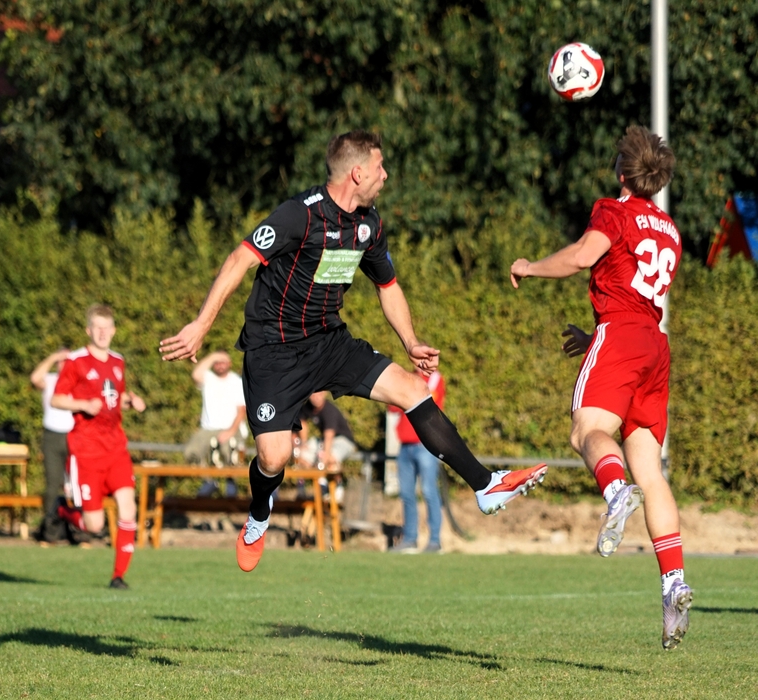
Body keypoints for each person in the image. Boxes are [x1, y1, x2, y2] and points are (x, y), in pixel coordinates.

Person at [160, 130, 547, 573]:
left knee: (413, 390)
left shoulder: (369, 224)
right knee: (274, 457)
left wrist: (411, 342)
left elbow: (388, 285)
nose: (386, 176)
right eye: (380, 167)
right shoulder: (299, 215)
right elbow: (239, 259)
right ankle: (259, 514)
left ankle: (485, 485)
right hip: (274, 351)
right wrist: (200, 325)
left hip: (330, 342)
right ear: (357, 173)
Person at [510, 125, 691, 650]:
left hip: (624, 336)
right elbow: (639, 294)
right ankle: (674, 582)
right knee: (650, 470)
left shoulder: (613, 211)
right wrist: (597, 339)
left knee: (585, 431)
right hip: (653, 346)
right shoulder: (670, 230)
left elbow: (583, 256)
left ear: (621, 173)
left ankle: (614, 493)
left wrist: (529, 267)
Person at [51, 304, 145, 589]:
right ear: (88, 330)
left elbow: (115, 397)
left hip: (116, 448)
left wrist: (131, 401)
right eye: (97, 328)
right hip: (86, 450)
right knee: (95, 526)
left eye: (107, 328)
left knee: (128, 510)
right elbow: (56, 399)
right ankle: (64, 511)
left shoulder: (118, 361)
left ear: (113, 331)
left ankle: (118, 577)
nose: (103, 333)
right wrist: (82, 404)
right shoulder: (76, 361)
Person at [389, 369, 446, 554]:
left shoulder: (435, 379)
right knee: (406, 494)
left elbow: (426, 405)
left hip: (426, 445)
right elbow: (392, 406)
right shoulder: (406, 378)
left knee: (429, 492)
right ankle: (410, 539)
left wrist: (405, 399)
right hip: (405, 445)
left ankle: (435, 541)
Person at [185, 350, 246, 497]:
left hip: (231, 428)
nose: (220, 365)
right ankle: (209, 481)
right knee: (191, 453)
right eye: (217, 362)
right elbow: (196, 374)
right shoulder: (209, 378)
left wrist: (230, 431)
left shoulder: (237, 382)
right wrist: (213, 356)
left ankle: (231, 486)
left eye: (223, 361)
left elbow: (242, 411)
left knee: (229, 454)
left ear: (230, 363)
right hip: (208, 428)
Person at [30, 349, 75, 543]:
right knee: (52, 487)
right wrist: (53, 357)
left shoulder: (78, 381)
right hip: (52, 436)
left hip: (75, 435)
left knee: (77, 487)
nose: (63, 364)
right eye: (61, 361)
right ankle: (50, 534)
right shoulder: (50, 380)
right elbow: (35, 378)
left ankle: (79, 532)